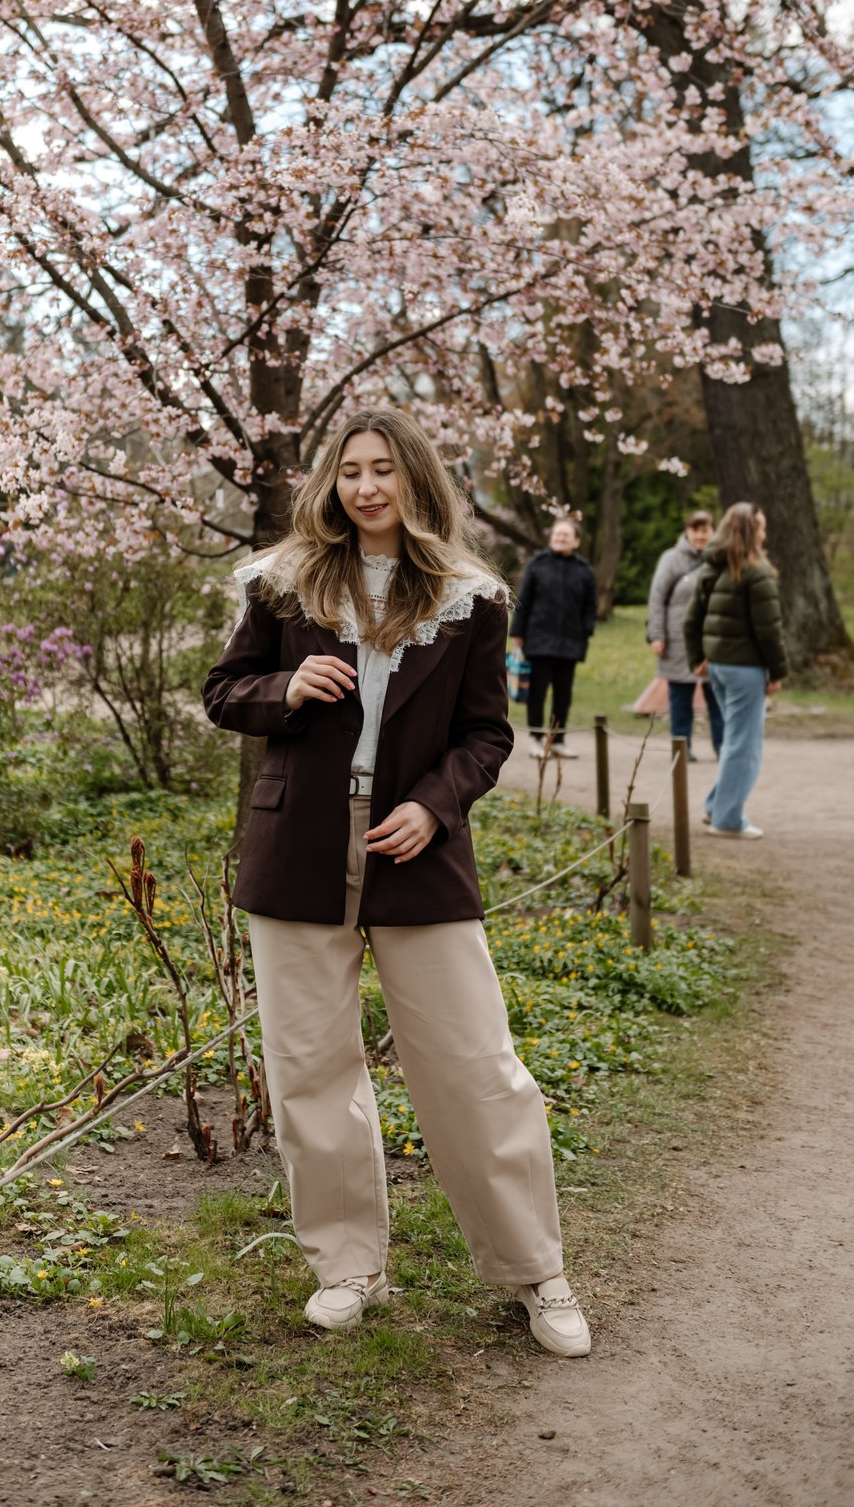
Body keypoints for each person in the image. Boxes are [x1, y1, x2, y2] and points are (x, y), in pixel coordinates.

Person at [202, 408, 591, 1359]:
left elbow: (487, 733)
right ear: (331, 483)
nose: (366, 488)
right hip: (295, 856)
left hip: (415, 855)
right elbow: (225, 692)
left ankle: (537, 1270)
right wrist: (283, 693)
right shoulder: (282, 583)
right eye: (350, 472)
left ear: (416, 481)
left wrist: (434, 805)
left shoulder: (472, 596)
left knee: (477, 1070)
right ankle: (348, 1265)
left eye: (384, 471)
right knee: (310, 1074)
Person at [683, 502, 787, 841]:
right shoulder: (756, 574)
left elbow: (691, 619)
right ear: (749, 532)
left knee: (733, 741)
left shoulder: (712, 568)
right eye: (761, 527)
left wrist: (697, 657)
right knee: (745, 745)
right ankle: (728, 819)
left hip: (719, 669)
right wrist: (777, 672)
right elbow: (769, 631)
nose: (765, 533)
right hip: (745, 670)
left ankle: (716, 805)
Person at [508, 519, 597, 758]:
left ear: (576, 541)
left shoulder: (584, 570)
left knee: (563, 694)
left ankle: (558, 740)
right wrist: (517, 632)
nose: (560, 538)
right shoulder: (538, 564)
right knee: (536, 692)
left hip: (570, 642)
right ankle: (536, 739)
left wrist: (586, 630)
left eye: (565, 536)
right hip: (539, 640)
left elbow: (591, 605)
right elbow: (523, 600)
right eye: (557, 535)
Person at [646, 510, 724, 761]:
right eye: (695, 530)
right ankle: (682, 749)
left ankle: (723, 747)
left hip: (714, 637)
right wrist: (656, 634)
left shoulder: (720, 559)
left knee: (718, 697)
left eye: (705, 530)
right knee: (680, 698)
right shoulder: (671, 559)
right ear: (687, 532)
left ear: (713, 531)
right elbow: (657, 598)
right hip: (677, 639)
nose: (700, 536)